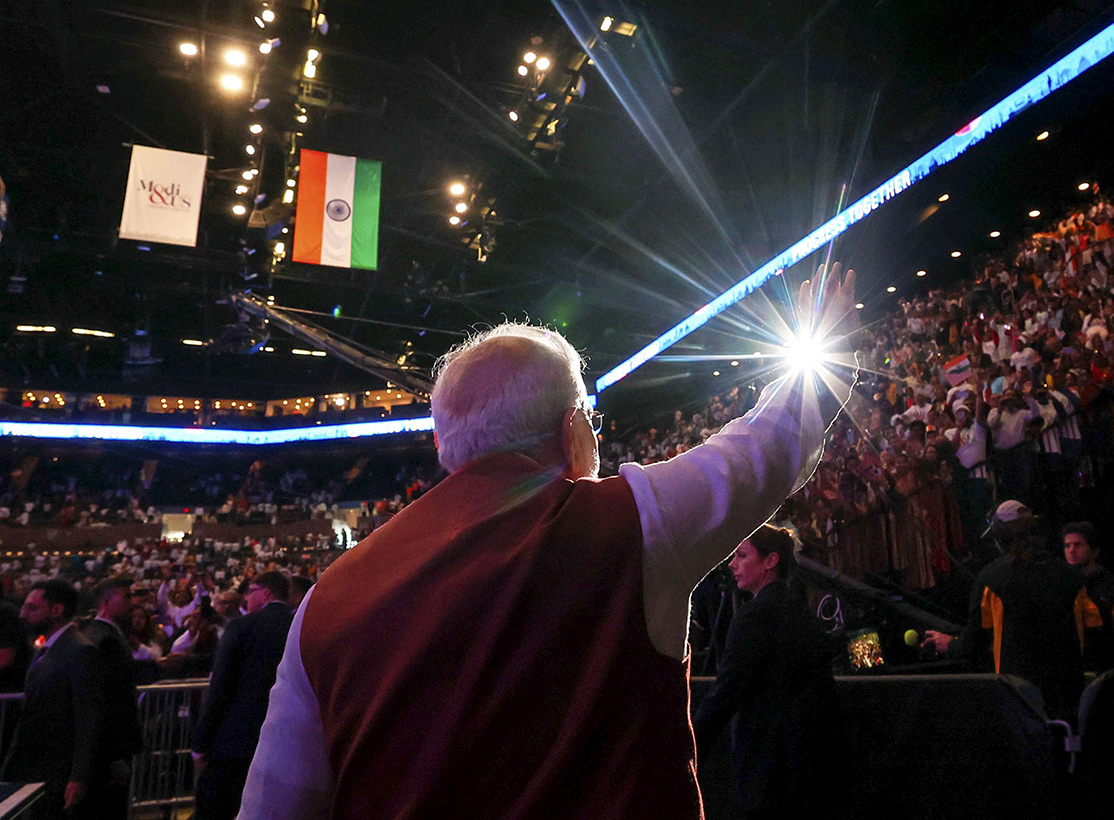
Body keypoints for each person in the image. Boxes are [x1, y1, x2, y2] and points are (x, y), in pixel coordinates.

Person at [239, 265, 858, 819]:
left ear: (443, 444)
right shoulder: (630, 524)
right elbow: (767, 450)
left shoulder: (328, 600)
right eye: (589, 418)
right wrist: (829, 342)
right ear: (571, 429)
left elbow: (274, 803)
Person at [692, 525, 842, 820]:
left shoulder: (754, 616)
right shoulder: (799, 610)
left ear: (770, 561)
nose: (732, 564)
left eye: (742, 555)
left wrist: (691, 747)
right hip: (812, 765)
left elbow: (726, 691)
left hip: (771, 768)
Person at [924, 500, 1085, 720]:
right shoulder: (1071, 576)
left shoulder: (992, 578)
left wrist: (949, 644)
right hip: (1070, 697)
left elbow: (972, 644)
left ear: (1000, 538)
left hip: (1019, 697)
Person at [192, 571, 293, 820]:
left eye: (250, 591)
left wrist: (201, 743)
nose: (247, 598)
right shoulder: (299, 627)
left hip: (235, 742)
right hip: (283, 742)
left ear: (266, 593)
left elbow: (220, 688)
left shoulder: (243, 626)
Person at [2, 579, 103, 820]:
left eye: (32, 608)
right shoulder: (49, 650)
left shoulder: (80, 651)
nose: (23, 615)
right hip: (38, 766)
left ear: (57, 610)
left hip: (57, 769)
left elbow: (88, 718)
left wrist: (78, 776)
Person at [81, 577, 143, 820]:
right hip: (108, 752)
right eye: (125, 596)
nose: (132, 602)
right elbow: (110, 702)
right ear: (107, 601)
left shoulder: (93, 632)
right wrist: (117, 754)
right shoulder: (106, 640)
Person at [1061, 522, 1114, 671]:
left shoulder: (1113, 587)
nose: (1071, 550)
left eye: (1078, 545)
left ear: (1094, 550)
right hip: (1075, 669)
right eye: (1067, 546)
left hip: (1110, 667)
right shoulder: (1061, 586)